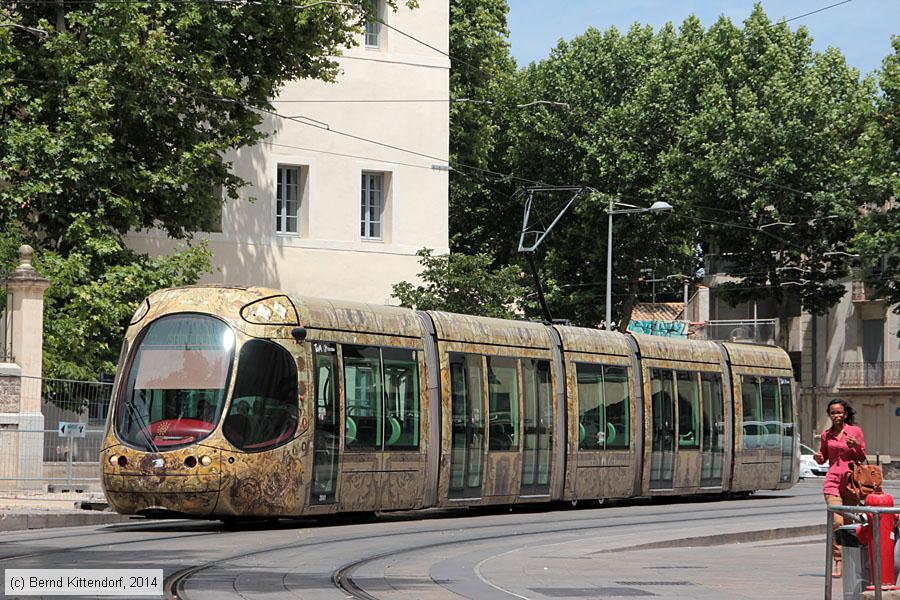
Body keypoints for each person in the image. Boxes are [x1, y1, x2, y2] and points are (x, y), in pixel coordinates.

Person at [814, 398, 866, 578]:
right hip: (832, 481)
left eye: (839, 412)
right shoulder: (826, 435)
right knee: (837, 521)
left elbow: (861, 457)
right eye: (832, 413)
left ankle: (853, 561)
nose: (836, 416)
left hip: (851, 482)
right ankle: (838, 561)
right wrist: (818, 458)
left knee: (850, 523)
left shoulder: (855, 431)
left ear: (845, 414)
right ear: (829, 415)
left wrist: (855, 446)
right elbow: (824, 458)